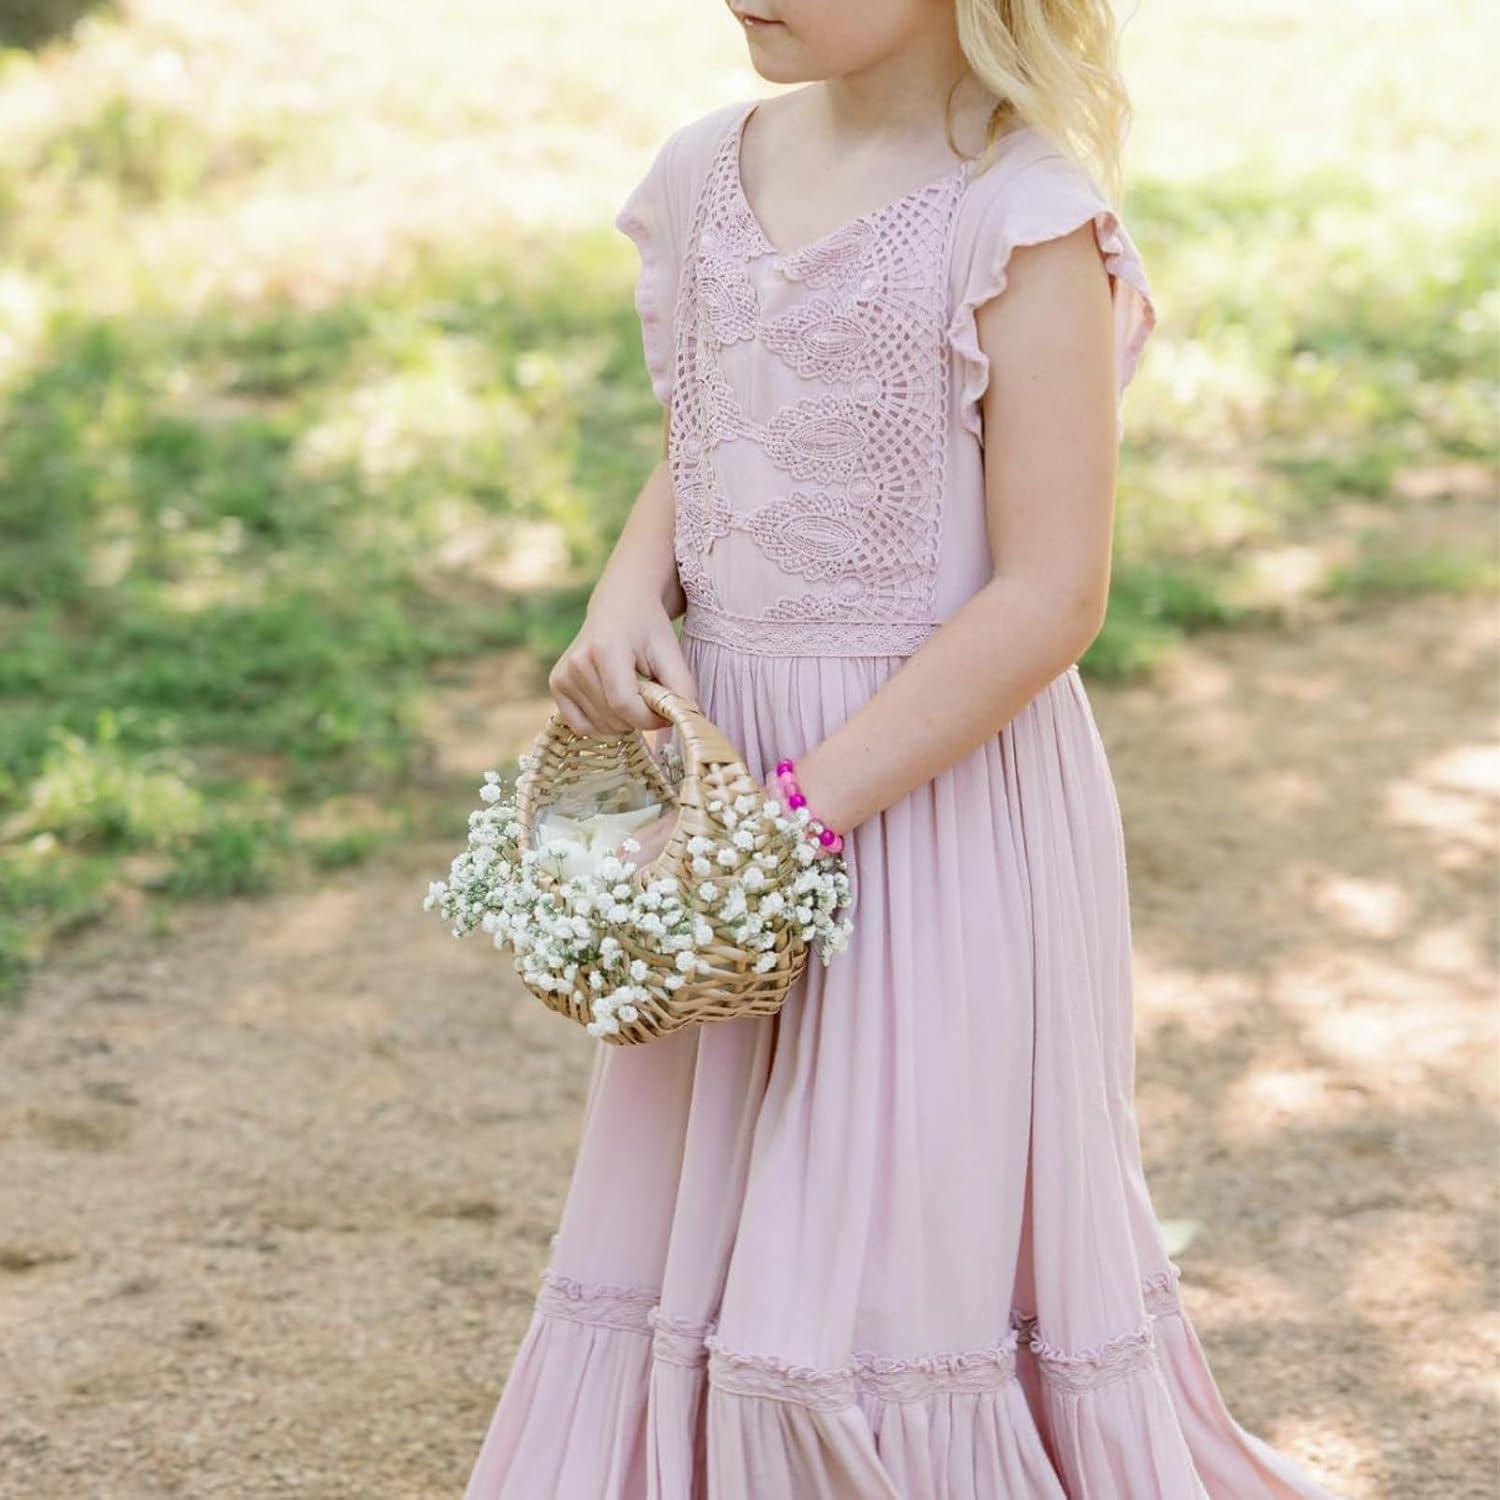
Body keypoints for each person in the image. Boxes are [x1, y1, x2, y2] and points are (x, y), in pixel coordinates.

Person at [464, 1, 1345, 1494]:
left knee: (864, 1284)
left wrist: (795, 820)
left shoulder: (1021, 217)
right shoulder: (702, 171)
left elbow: (1052, 595)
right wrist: (628, 590)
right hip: (731, 780)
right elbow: (711, 427)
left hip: (927, 804)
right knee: (714, 1231)